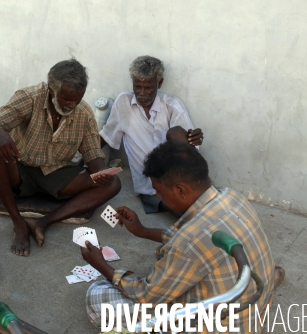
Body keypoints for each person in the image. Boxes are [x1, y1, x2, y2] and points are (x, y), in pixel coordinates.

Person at [80, 141, 284, 332]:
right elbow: (186, 237)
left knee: (98, 294)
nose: (158, 197)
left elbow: (146, 295)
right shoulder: (231, 196)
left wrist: (102, 265)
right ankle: (269, 278)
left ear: (180, 190)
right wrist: (141, 230)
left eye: (159, 191)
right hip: (254, 310)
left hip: (218, 326)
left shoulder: (188, 242)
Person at [0, 59, 121, 257]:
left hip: (56, 172)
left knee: (113, 183)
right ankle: (19, 223)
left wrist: (100, 172)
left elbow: (93, 153)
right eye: (67, 99)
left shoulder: (83, 113)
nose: (72, 105)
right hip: (20, 168)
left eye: (78, 99)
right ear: (51, 90)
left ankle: (43, 222)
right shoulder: (29, 98)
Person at [100, 55, 204, 213]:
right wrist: (83, 160)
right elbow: (106, 137)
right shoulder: (124, 103)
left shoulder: (172, 106)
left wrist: (193, 140)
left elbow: (190, 148)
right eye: (137, 87)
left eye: (148, 88)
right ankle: (183, 208)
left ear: (159, 83)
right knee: (187, 213)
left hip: (175, 177)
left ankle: (188, 195)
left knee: (176, 133)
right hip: (148, 184)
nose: (142, 93)